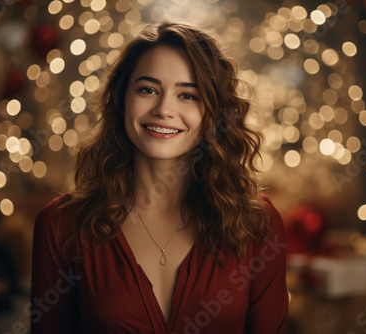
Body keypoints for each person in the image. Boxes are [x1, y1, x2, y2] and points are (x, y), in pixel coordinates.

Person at [30, 21, 288, 333]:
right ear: (122, 98)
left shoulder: (258, 226)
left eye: (188, 95)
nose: (164, 109)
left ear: (213, 112)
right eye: (148, 90)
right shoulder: (61, 225)